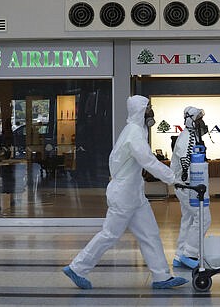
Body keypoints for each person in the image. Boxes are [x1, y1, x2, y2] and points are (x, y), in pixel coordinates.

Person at [62, 95, 188, 290]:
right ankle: (77, 268)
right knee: (110, 234)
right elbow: (148, 161)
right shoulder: (134, 134)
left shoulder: (136, 130)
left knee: (150, 233)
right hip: (123, 195)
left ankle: (162, 276)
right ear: (140, 111)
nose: (151, 112)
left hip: (134, 194)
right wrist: (174, 179)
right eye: (148, 108)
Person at [170, 106, 211, 269]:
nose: (202, 122)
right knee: (203, 218)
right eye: (198, 119)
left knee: (188, 220)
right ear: (190, 120)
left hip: (186, 187)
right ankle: (190, 253)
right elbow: (186, 164)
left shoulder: (192, 136)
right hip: (187, 187)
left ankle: (180, 255)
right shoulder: (187, 139)